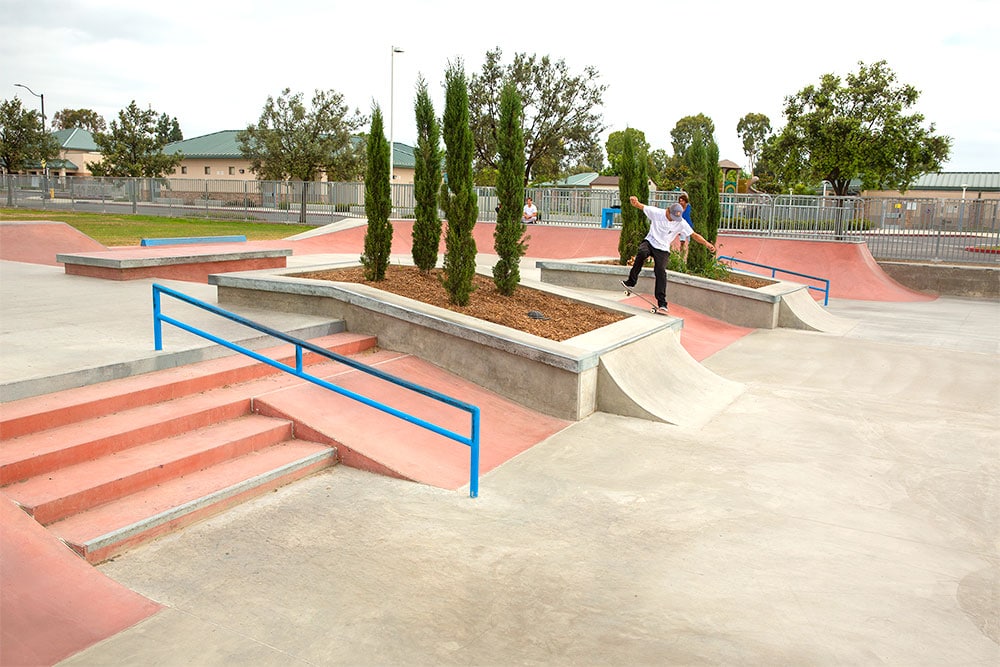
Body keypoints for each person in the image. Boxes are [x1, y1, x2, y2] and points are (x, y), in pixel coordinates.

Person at [621, 193, 715, 314]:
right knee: (642, 252)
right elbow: (640, 206)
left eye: (675, 219)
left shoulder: (681, 222)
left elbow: (694, 235)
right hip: (650, 241)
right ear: (668, 211)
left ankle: (662, 304)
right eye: (672, 218)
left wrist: (707, 243)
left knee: (660, 270)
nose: (673, 221)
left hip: (663, 249)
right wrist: (634, 201)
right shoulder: (656, 212)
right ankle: (631, 282)